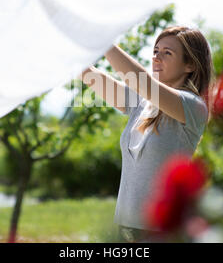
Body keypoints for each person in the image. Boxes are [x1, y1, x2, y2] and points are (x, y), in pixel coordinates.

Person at [78, 26, 213, 242]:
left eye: (167, 53)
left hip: (160, 233)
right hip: (124, 228)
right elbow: (90, 75)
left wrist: (102, 36)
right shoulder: (142, 101)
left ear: (190, 65)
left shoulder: (193, 107)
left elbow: (141, 81)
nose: (156, 58)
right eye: (156, 50)